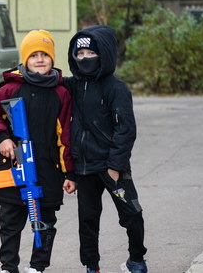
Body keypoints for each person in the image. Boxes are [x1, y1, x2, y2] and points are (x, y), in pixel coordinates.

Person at [0, 30, 76, 273]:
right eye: (34, 55)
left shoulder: (61, 93)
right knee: (10, 221)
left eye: (45, 55)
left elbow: (65, 136)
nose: (40, 60)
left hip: (47, 170)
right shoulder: (9, 89)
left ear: (52, 59)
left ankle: (38, 266)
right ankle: (8, 266)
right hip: (11, 167)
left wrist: (69, 173)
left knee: (44, 222)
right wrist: (1, 138)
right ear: (25, 60)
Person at [61, 25, 148, 273]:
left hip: (111, 166)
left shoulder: (116, 88)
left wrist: (114, 166)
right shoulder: (72, 86)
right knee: (87, 222)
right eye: (80, 54)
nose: (85, 58)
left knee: (132, 214)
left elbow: (126, 130)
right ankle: (92, 267)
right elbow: (45, 80)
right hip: (84, 169)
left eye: (91, 52)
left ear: (104, 54)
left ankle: (137, 260)